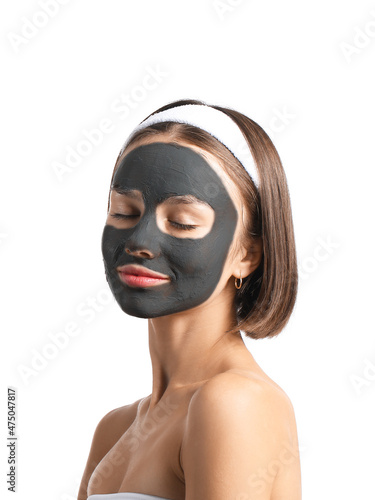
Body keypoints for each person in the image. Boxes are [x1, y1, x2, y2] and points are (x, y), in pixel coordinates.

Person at [77, 99, 302, 500]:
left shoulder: (234, 403)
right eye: (125, 212)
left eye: (182, 221)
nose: (139, 242)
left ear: (247, 254)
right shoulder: (114, 429)